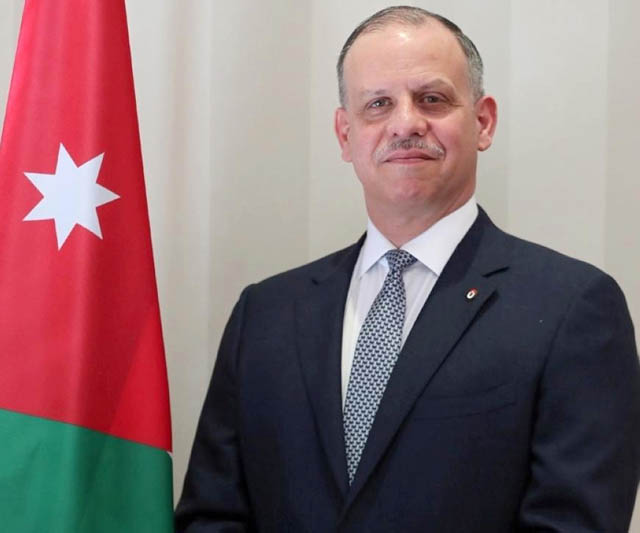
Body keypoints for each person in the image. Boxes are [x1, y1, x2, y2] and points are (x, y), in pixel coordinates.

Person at [175, 6, 640, 532]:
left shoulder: (571, 309)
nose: (405, 123)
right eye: (378, 104)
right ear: (345, 134)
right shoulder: (264, 315)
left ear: (483, 121)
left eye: (432, 99)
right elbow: (211, 517)